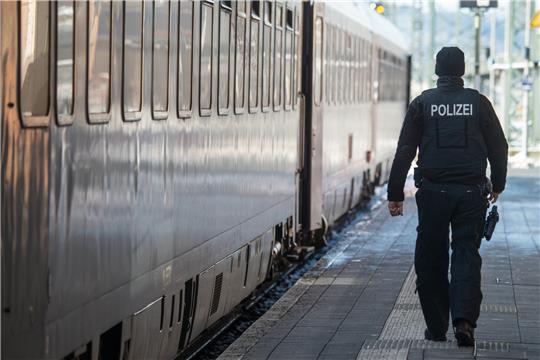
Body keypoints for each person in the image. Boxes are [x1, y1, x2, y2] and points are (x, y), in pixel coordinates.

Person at [386, 47, 508, 347]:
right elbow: (499, 147)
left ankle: (437, 327)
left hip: (432, 193)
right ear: (463, 70)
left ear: (437, 70)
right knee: (466, 253)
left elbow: (405, 151)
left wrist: (395, 193)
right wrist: (498, 185)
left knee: (431, 258)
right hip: (471, 193)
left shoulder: (422, 103)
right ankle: (464, 321)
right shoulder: (479, 103)